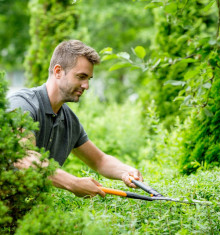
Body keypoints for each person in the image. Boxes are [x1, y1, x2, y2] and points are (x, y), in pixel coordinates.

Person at [8, 40, 143, 198]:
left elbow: (100, 161)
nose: (86, 85)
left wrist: (125, 171)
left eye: (89, 79)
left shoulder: (68, 120)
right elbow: (24, 157)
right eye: (81, 77)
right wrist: (74, 183)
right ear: (58, 71)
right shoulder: (22, 106)